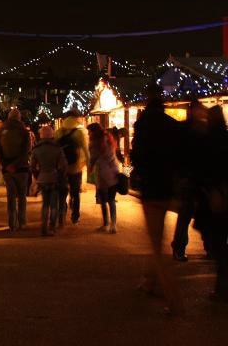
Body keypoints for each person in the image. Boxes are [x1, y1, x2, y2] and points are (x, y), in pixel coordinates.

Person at [130, 84, 184, 315]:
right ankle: (149, 281)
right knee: (156, 237)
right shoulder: (171, 124)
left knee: (156, 243)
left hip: (152, 189)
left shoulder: (143, 125)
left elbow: (137, 156)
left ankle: (174, 301)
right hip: (169, 187)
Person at [171, 101, 207, 262]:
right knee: (188, 213)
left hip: (190, 177)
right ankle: (181, 246)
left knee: (187, 214)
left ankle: (180, 247)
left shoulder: (183, 129)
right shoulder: (199, 130)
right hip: (193, 178)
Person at [201, 105, 228, 302]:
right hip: (221, 194)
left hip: (215, 197)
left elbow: (207, 169)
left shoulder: (209, 139)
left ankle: (222, 288)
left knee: (217, 242)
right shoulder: (224, 137)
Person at [0, 109, 31, 231]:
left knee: (11, 196)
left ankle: (11, 222)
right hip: (22, 168)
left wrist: (6, 165)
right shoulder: (24, 131)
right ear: (19, 118)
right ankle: (21, 221)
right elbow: (26, 151)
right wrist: (16, 163)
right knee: (21, 196)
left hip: (7, 169)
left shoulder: (1, 131)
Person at [31, 126, 67, 236]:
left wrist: (37, 176)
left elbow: (32, 167)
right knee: (54, 204)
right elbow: (63, 165)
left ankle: (44, 226)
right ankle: (52, 226)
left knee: (45, 204)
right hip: (54, 177)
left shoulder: (36, 149)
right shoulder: (57, 149)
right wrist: (61, 176)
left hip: (42, 178)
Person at [56, 109, 89, 225]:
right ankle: (75, 215)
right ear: (76, 118)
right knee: (75, 192)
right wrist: (88, 164)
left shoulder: (59, 131)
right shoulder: (81, 132)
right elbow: (86, 150)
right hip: (76, 167)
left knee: (62, 192)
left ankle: (62, 212)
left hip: (62, 168)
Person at [87, 123, 120, 234]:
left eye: (89, 131)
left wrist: (90, 169)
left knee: (103, 199)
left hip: (102, 173)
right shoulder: (109, 138)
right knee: (111, 199)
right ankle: (114, 224)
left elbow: (92, 158)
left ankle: (105, 224)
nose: (88, 133)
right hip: (114, 171)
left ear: (93, 132)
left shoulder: (94, 143)